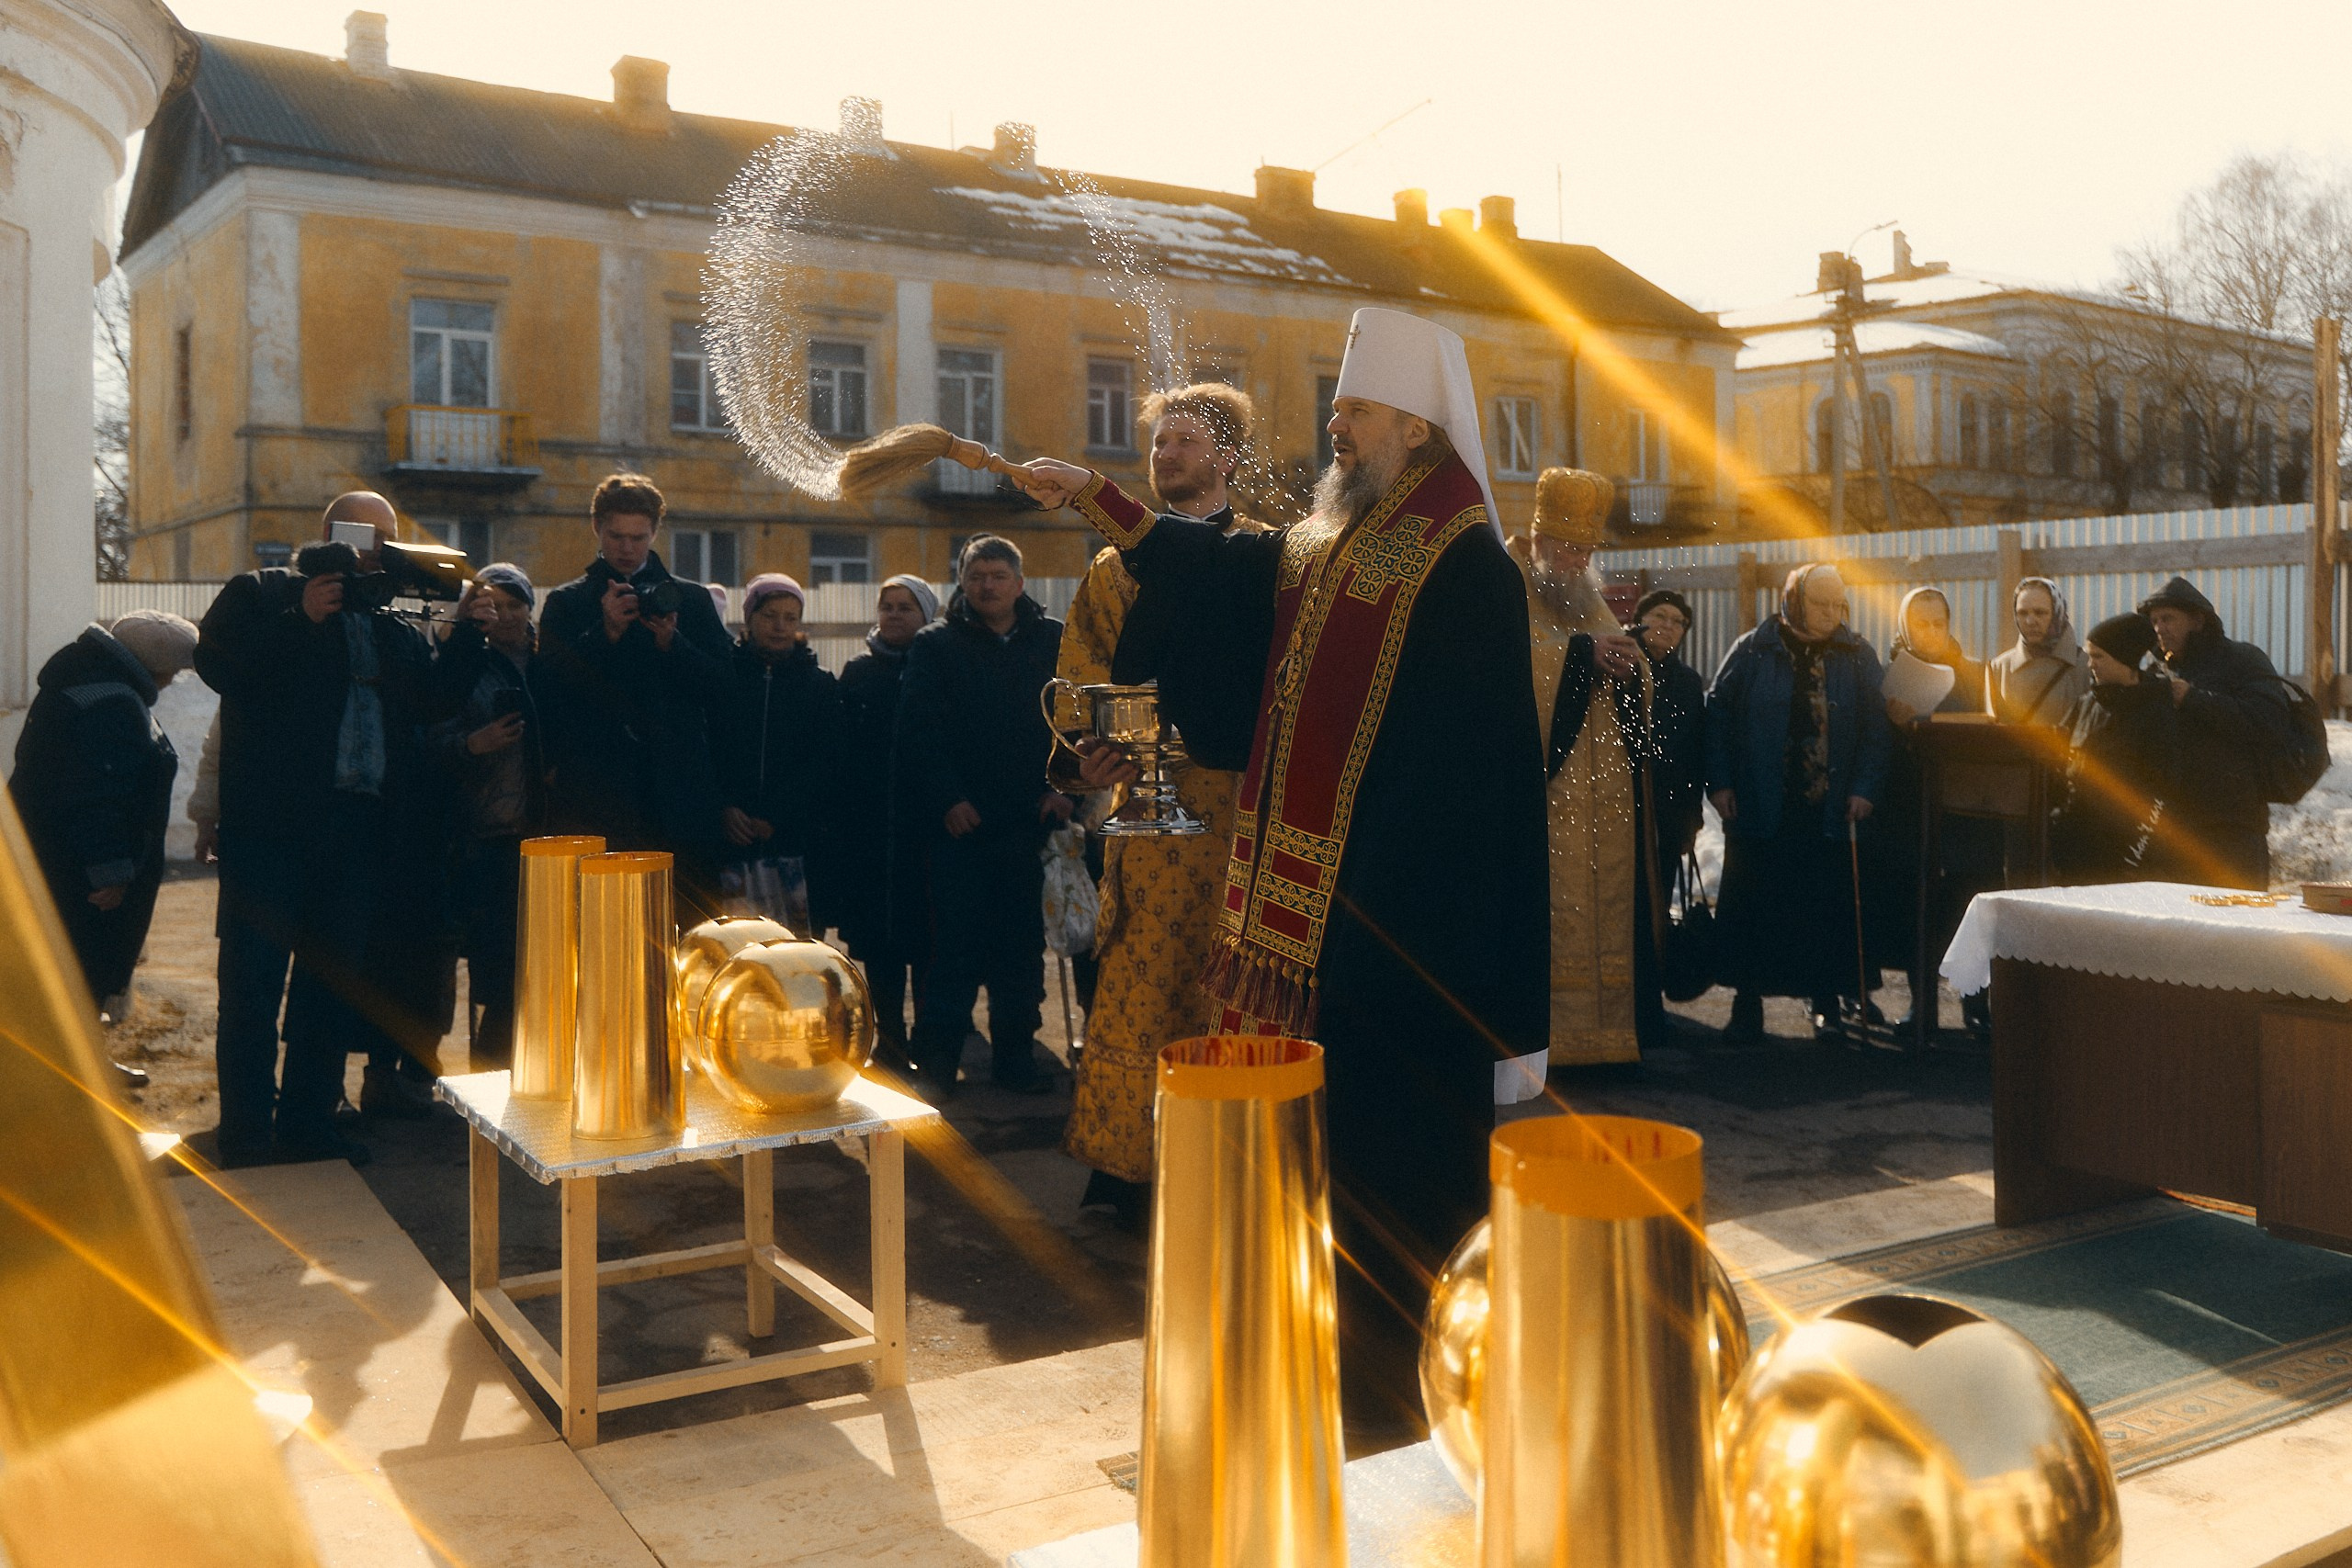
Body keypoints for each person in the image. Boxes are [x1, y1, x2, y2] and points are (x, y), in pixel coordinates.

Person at [1015, 306, 1549, 1449]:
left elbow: (1474, 781)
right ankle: (1347, 1381)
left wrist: (1375, 906)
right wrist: (1095, 497)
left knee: (1407, 1178)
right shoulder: (1330, 542)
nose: (1334, 428)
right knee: (1336, 1175)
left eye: (1352, 411)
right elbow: (1213, 561)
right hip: (1322, 932)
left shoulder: (1463, 566)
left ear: (1412, 422)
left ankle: (1408, 1401)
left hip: (1410, 938)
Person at [1058, 383, 1270, 1231]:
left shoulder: (1269, 556)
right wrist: (1084, 754)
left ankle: (1240, 1165)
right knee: (1142, 980)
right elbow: (1081, 678)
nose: (1167, 453)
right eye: (1160, 441)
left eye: (1186, 439)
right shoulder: (1111, 571)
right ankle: (1127, 1169)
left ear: (1228, 458)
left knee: (1241, 987)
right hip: (1151, 815)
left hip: (1252, 817)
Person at [196, 493, 435, 1165]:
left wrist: (470, 631)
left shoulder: (386, 622)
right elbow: (215, 663)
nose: (373, 550)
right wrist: (299, 618)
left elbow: (430, 702)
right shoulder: (260, 591)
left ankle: (308, 1123)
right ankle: (244, 1132)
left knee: (329, 989)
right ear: (329, 535)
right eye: (363, 535)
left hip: (354, 836)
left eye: (387, 539)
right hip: (268, 831)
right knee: (252, 986)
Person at [894, 536, 1069, 1099]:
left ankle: (1016, 1058)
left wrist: (1064, 788)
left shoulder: (1053, 640)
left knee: (1020, 951)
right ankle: (940, 1063)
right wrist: (948, 799)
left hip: (1029, 824)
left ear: (1020, 583)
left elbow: (1077, 723)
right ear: (963, 583)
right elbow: (917, 732)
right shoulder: (936, 644)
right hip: (959, 828)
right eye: (977, 576)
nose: (987, 586)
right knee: (951, 951)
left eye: (998, 575)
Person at [1706, 564, 1893, 1046]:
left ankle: (1827, 1004)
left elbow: (1878, 728)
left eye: (1838, 605)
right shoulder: (1753, 649)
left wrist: (1865, 787)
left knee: (1823, 908)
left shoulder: (1857, 655)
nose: (1832, 614)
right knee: (1754, 906)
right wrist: (1720, 782)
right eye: (1820, 604)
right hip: (1761, 803)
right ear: (1793, 602)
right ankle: (1746, 1005)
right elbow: (1717, 717)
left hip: (1827, 808)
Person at [9, 612, 197, 1086]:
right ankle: (70, 1084)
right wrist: (109, 871)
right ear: (150, 666)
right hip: (78, 867)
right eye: (172, 671)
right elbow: (101, 794)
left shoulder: (89, 682)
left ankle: (83, 1067)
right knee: (82, 966)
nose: (173, 681)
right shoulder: (111, 702)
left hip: (55, 855)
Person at [1504, 468, 1649, 1067]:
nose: (1576, 559)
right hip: (1538, 791)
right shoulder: (1504, 577)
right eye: (1567, 546)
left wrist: (1629, 666)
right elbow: (1499, 664)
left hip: (1601, 797)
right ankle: (1547, 1042)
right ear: (1536, 533)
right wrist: (1579, 656)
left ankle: (1606, 1038)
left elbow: (1627, 665)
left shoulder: (1583, 592)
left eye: (1586, 550)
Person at [537, 473, 731, 908]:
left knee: (683, 923)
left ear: (655, 533)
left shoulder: (691, 601)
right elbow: (549, 689)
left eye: (638, 538)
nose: (627, 549)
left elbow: (724, 689)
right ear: (597, 529)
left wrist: (672, 644)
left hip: (678, 793)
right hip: (599, 790)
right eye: (616, 536)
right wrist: (603, 633)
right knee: (602, 922)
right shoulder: (568, 603)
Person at [426, 564, 548, 1071]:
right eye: (493, 605)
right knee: (473, 965)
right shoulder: (461, 661)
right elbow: (426, 733)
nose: (506, 616)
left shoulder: (549, 665)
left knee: (531, 968)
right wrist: (472, 744)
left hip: (540, 836)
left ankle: (522, 1073)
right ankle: (473, 1077)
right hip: (475, 834)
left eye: (515, 604)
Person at [1872, 586, 1997, 1033]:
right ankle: (1921, 1004)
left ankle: (1975, 1005)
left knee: (1966, 905)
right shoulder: (1887, 675)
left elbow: (1988, 731)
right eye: (1919, 622)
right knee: (1915, 908)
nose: (1929, 631)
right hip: (1908, 810)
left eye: (1937, 622)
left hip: (1965, 812)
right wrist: (1896, 724)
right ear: (1905, 625)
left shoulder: (1975, 673)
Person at [837, 575, 940, 1068]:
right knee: (879, 948)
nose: (895, 615)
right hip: (868, 832)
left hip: (926, 831)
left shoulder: (941, 666)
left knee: (927, 943)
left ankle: (928, 1040)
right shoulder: (857, 673)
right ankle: (891, 1040)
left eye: (906, 607)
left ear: (926, 616)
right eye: (888, 606)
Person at [2139, 575, 2292, 889]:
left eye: (2168, 618)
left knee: (2237, 928)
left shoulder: (2242, 659)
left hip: (2233, 830)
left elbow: (2270, 722)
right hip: (2175, 831)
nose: (2159, 628)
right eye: (2154, 621)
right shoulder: (2158, 672)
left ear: (2197, 620)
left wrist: (2191, 698)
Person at [714, 574, 842, 931]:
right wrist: (725, 807)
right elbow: (708, 753)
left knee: (796, 955)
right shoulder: (722, 678)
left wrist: (779, 815)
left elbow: (827, 764)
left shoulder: (819, 685)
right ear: (750, 618)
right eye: (770, 615)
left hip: (794, 844)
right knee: (733, 952)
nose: (780, 626)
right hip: (730, 840)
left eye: (790, 617)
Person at [2051, 613, 2179, 884]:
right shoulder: (2085, 705)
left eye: (2098, 656)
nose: (2090, 664)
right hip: (2074, 853)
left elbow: (2161, 793)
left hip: (2127, 860)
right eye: (2088, 655)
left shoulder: (2156, 711)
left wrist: (2135, 858)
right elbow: (2056, 761)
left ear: (2124, 659)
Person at [1634, 589, 1705, 1043]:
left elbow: (1695, 751)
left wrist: (1691, 818)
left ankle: (1650, 1006)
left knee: (1658, 908)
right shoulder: (1621, 666)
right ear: (1639, 619)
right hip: (1624, 809)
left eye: (1678, 621)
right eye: (1659, 616)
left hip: (1670, 810)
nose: (1668, 626)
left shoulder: (1687, 682)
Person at [1988, 577, 2090, 727]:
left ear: (2057, 612)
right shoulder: (1999, 668)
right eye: (2022, 613)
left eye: (2040, 613)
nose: (2030, 621)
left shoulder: (2087, 665)